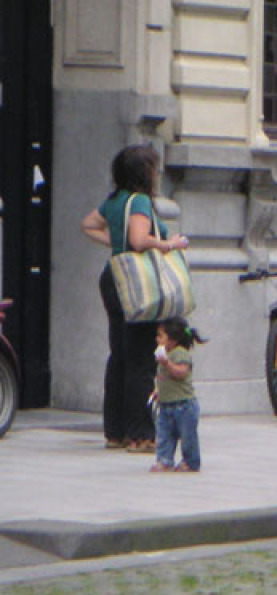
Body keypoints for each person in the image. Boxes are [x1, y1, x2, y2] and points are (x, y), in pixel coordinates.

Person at [81, 145, 189, 454]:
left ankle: (114, 431)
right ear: (144, 173)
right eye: (154, 168)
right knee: (142, 358)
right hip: (138, 285)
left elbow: (88, 224)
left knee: (119, 355)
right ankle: (141, 434)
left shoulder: (114, 201)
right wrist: (166, 244)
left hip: (113, 279)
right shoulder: (139, 201)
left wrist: (114, 242)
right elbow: (139, 240)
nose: (157, 174)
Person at [150, 318, 206, 473]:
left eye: (161, 336)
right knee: (164, 435)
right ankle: (165, 460)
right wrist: (157, 391)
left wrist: (167, 363)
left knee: (188, 436)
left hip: (184, 405)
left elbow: (181, 373)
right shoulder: (164, 355)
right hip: (166, 404)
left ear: (173, 339)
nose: (157, 339)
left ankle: (191, 461)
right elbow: (162, 378)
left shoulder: (180, 354)